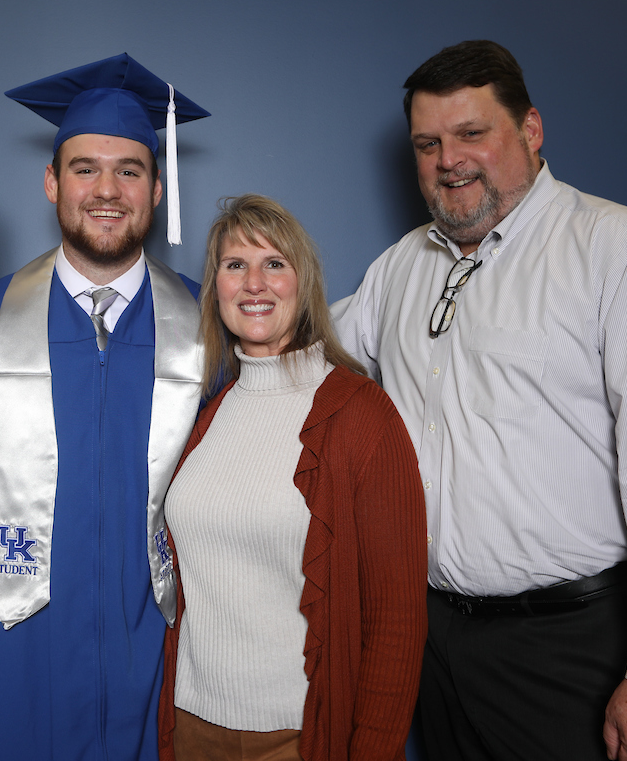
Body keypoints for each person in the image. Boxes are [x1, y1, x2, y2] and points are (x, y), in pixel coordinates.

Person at [332, 40, 627, 761]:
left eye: (472, 134)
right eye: (427, 143)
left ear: (530, 130)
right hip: (434, 650)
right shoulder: (400, 269)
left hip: (570, 647)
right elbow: (306, 356)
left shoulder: (622, 252)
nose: (448, 160)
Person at [0, 54, 209, 760]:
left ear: (156, 190)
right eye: (85, 168)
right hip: (15, 659)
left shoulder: (209, 326)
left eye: (130, 170)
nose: (107, 189)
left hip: (163, 659)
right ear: (51, 181)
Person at [157, 195, 427, 761]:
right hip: (190, 726)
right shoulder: (209, 412)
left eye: (274, 263)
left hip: (297, 735)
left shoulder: (361, 415)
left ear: (303, 284)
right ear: (216, 288)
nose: (254, 282)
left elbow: (396, 621)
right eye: (235, 265)